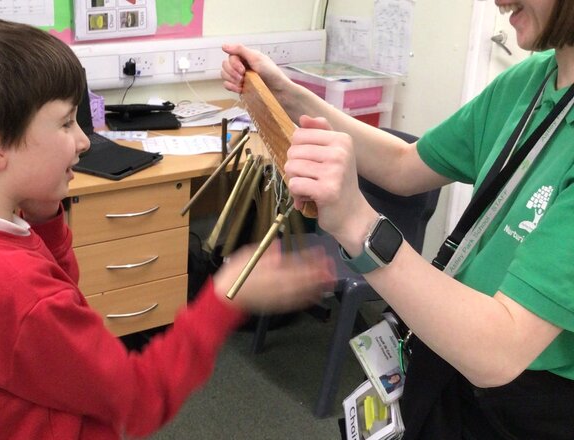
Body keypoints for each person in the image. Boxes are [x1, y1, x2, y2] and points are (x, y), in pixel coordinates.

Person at [0, 16, 335, 440]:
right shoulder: (18, 291)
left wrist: (46, 220)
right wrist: (224, 299)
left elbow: (54, 297)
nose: (84, 141)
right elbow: (139, 399)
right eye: (65, 123)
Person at [222, 0, 574, 439]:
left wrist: (359, 225)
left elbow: (500, 352)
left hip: (522, 403)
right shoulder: (530, 83)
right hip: (449, 353)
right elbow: (404, 165)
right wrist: (289, 96)